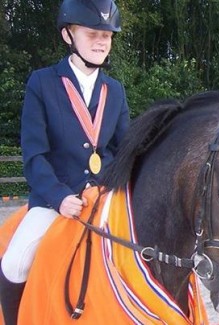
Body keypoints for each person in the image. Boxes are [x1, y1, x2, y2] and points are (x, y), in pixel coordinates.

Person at [0, 0, 129, 323]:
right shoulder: (41, 83)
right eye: (92, 34)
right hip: (54, 198)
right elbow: (34, 155)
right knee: (15, 262)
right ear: (67, 35)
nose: (102, 41)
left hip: (103, 196)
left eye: (108, 35)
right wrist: (59, 197)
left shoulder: (115, 91)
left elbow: (123, 149)